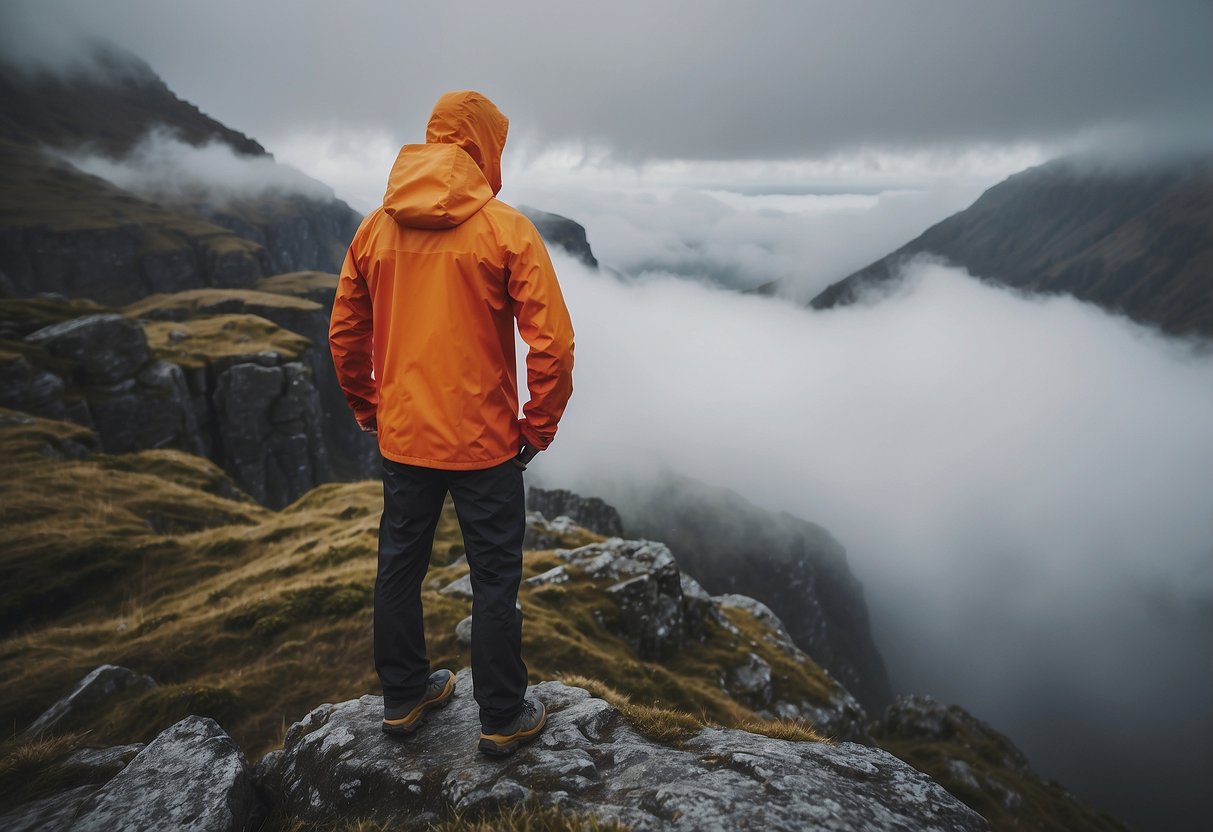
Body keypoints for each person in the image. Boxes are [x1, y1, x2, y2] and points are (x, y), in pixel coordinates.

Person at [328, 90, 574, 757]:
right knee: (493, 578)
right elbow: (550, 343)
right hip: (486, 444)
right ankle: (500, 715)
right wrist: (536, 427)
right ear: (484, 145)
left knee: (398, 567)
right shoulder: (505, 228)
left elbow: (346, 333)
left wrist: (369, 407)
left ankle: (404, 698)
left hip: (404, 436)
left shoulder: (374, 228)